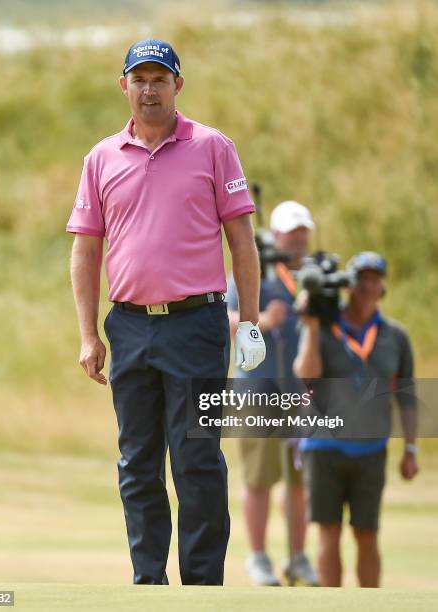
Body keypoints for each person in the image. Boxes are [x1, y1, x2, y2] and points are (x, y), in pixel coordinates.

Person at [66, 38, 266, 585]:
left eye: (160, 79)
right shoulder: (101, 158)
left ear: (178, 84)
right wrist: (88, 335)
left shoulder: (212, 146)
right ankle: (148, 582)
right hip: (128, 325)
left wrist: (247, 320)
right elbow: (85, 249)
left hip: (197, 325)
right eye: (140, 79)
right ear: (124, 85)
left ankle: (202, 585)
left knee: (198, 459)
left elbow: (242, 242)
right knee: (137, 461)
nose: (149, 89)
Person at [294, 251, 419, 587]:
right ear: (348, 286)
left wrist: (411, 449)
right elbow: (307, 375)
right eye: (360, 279)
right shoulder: (323, 326)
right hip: (324, 446)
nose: (367, 285)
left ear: (383, 288)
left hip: (371, 448)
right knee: (328, 533)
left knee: (367, 534)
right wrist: (310, 326)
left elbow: (407, 399)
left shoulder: (396, 336)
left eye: (374, 279)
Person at [226, 200, 319, 586]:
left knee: (299, 479)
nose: (297, 240)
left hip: (301, 392)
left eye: (303, 233)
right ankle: (259, 558)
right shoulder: (254, 267)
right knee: (260, 477)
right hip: (256, 389)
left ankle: (298, 557)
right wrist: (262, 322)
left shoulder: (314, 276)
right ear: (276, 234)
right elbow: (226, 317)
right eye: (291, 233)